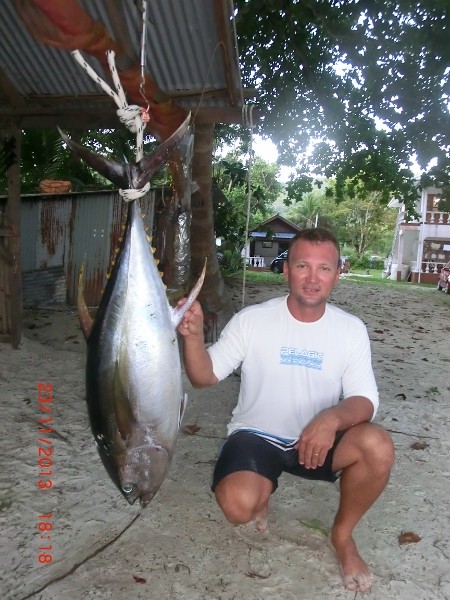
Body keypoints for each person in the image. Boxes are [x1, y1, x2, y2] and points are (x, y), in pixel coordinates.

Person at [177, 227, 394, 593]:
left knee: (378, 445)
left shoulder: (350, 329)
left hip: (318, 443)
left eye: (324, 268)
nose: (313, 278)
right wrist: (194, 338)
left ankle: (342, 537)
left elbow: (364, 400)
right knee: (237, 507)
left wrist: (330, 419)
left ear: (338, 273)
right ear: (286, 270)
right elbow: (203, 376)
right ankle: (260, 489)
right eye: (302, 266)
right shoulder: (253, 320)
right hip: (256, 435)